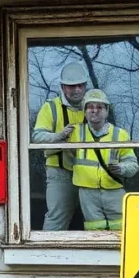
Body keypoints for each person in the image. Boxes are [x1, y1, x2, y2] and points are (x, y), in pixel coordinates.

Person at [69, 89, 139, 231]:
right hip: (87, 192)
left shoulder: (120, 134)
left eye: (99, 107)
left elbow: (133, 165)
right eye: (90, 107)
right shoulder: (74, 133)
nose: (94, 111)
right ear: (84, 111)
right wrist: (58, 136)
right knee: (94, 228)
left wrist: (121, 168)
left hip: (113, 190)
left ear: (107, 111)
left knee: (121, 228)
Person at [32, 62, 89, 231]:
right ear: (63, 87)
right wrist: (59, 137)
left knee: (95, 219)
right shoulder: (51, 107)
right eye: (72, 86)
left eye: (80, 85)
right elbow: (36, 138)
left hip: (90, 171)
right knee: (57, 217)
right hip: (60, 171)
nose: (76, 89)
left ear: (85, 85)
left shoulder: (93, 106)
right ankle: (46, 256)